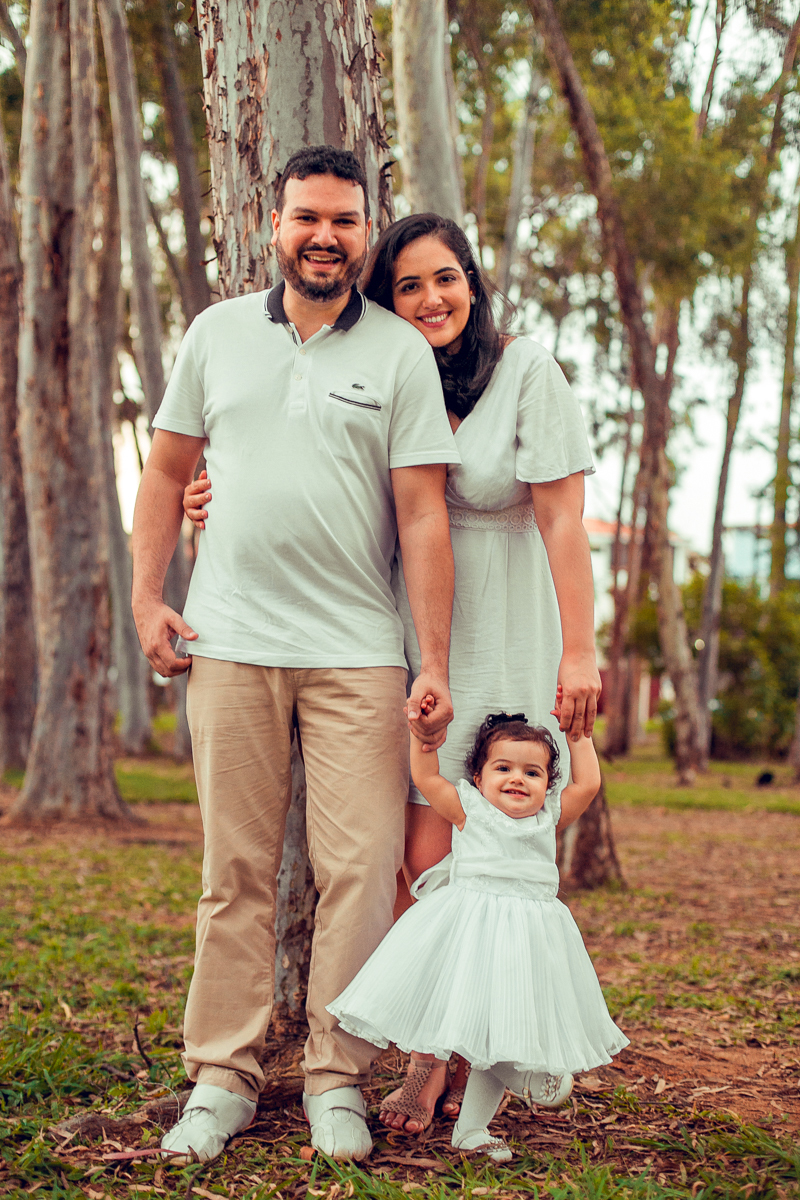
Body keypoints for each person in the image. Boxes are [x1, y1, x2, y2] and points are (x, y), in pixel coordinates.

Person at [184, 212, 601, 1132]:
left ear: (473, 284)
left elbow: (565, 522)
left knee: (507, 849)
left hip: (514, 628)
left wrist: (579, 649)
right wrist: (200, 489)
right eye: (407, 286)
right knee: (425, 862)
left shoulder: (527, 371)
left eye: (445, 278)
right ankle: (429, 1054)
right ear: (385, 299)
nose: (430, 300)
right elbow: (306, 472)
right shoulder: (381, 374)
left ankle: (462, 1067)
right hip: (412, 638)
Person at [131, 147, 461, 1164]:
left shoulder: (399, 352)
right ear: (273, 228)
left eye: (345, 221)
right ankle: (220, 1077)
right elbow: (165, 471)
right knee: (233, 870)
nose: (325, 236)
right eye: (307, 218)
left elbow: (421, 514)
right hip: (228, 641)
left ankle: (334, 1079)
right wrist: (148, 597)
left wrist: (432, 660)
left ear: (366, 234)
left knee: (357, 869)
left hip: (357, 653)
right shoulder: (215, 335)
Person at [328, 709, 628, 1162]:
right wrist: (423, 738)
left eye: (533, 772)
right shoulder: (471, 809)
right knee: (480, 1031)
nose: (517, 779)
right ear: (478, 774)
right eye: (502, 768)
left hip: (527, 943)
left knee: (504, 1027)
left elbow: (586, 786)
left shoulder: (548, 819)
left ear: (548, 783)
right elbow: (427, 779)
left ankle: (472, 1130)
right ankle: (523, 1078)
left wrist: (579, 735)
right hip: (471, 934)